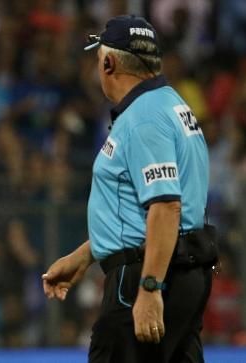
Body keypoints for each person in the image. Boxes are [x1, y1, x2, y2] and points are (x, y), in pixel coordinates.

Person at [42, 15, 215, 363]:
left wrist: (149, 288)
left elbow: (166, 206)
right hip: (182, 269)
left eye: (97, 60)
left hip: (145, 277)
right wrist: (87, 255)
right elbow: (141, 208)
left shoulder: (143, 118)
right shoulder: (171, 104)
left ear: (108, 63)